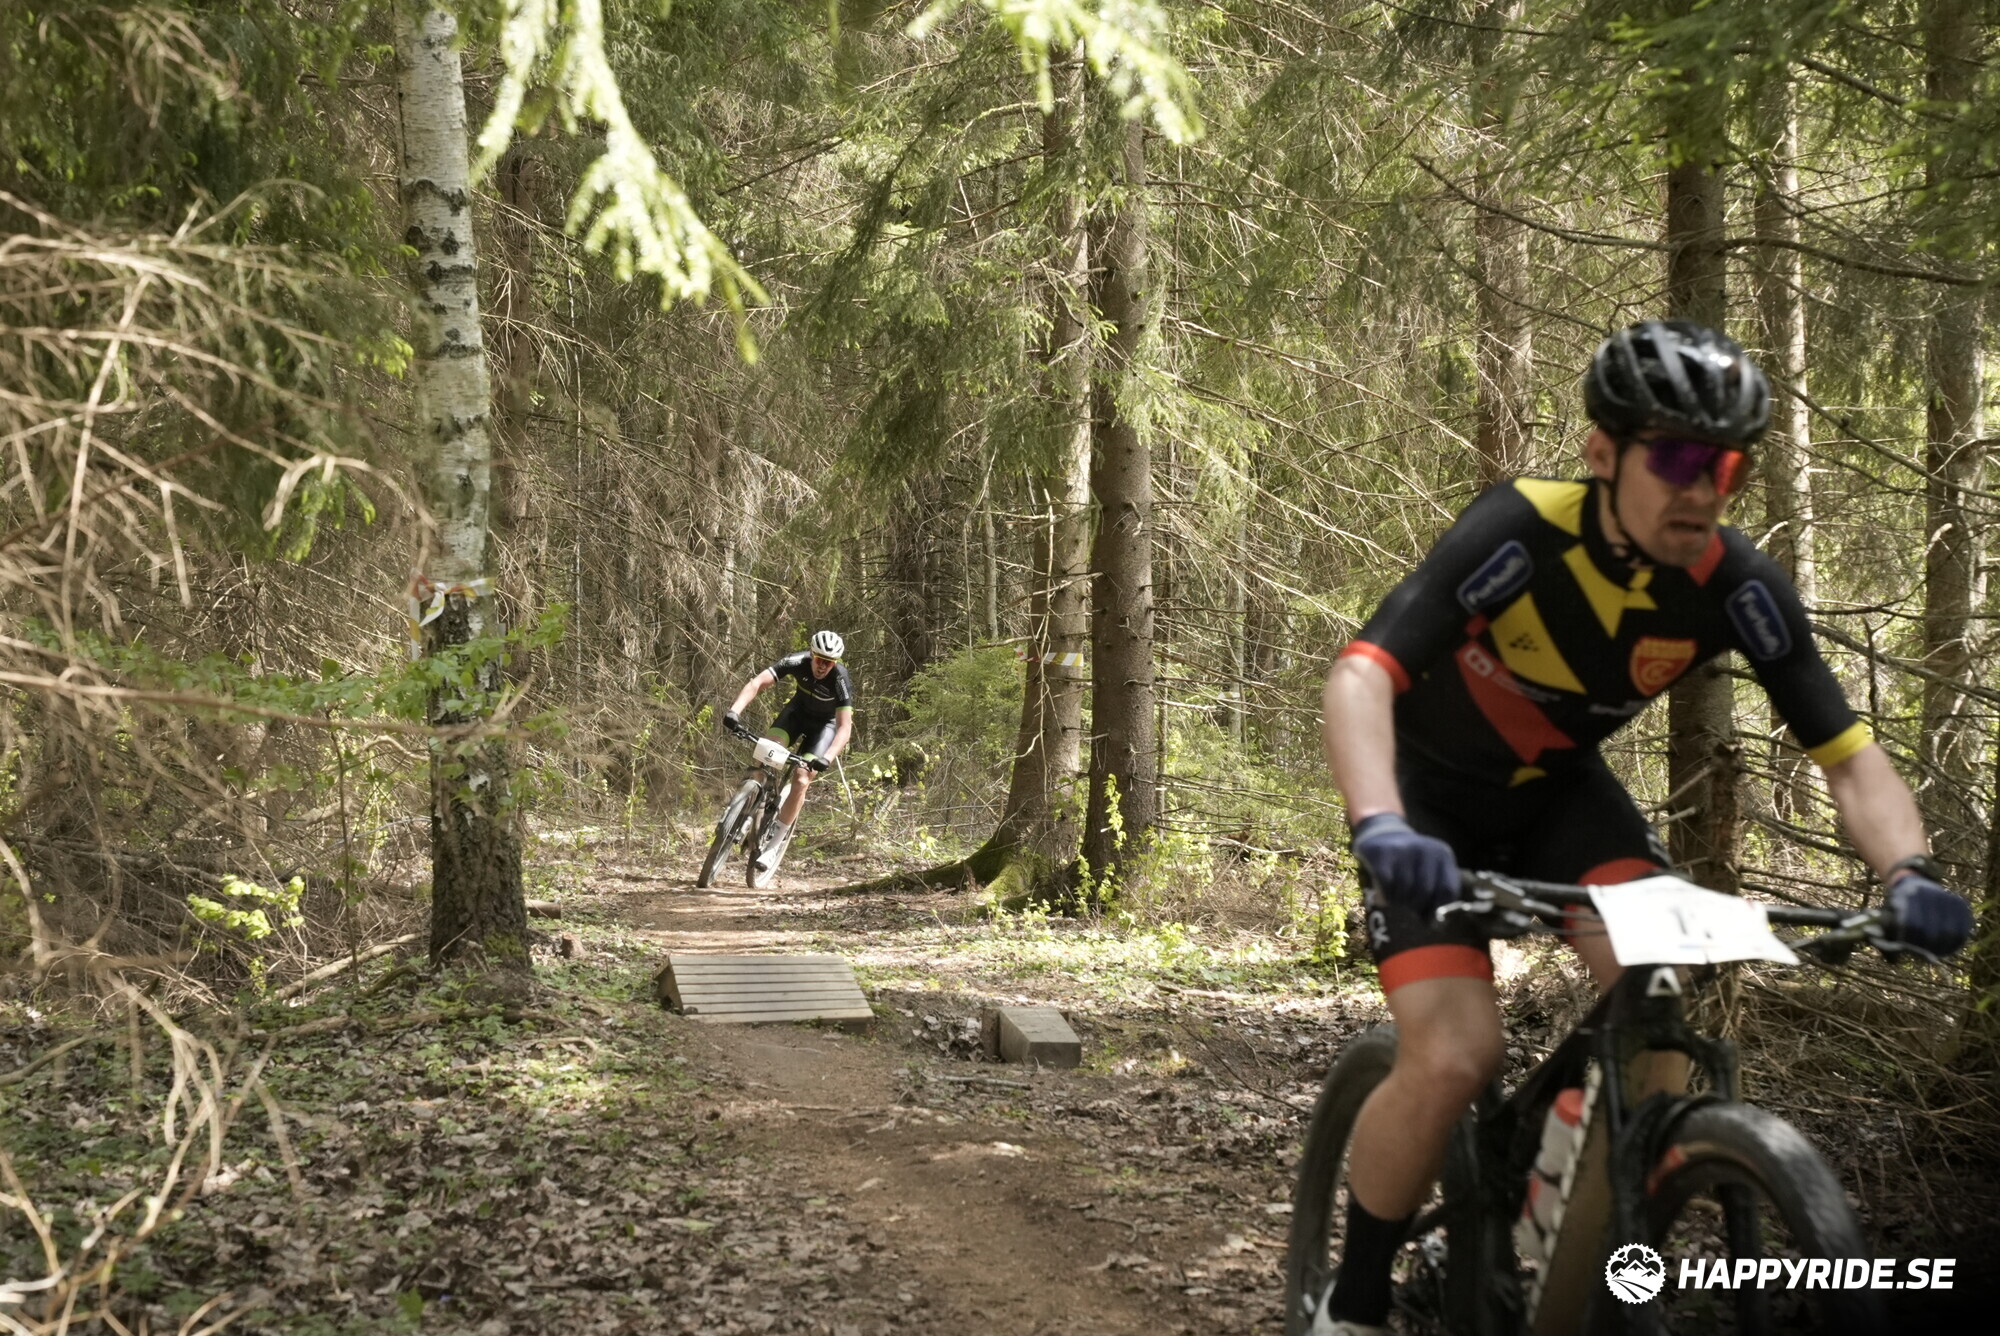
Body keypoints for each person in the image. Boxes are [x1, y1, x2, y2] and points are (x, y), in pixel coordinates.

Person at [1311, 320, 1974, 1336]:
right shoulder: (1520, 530)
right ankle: (1352, 1301)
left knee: (1657, 1001)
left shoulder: (1734, 584)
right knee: (1453, 1054)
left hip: (1558, 800)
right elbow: (1362, 674)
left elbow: (1846, 756)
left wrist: (1909, 873)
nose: (1700, 488)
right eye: (1673, 459)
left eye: (1724, 466)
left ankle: (1553, 1219)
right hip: (1423, 802)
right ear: (1601, 453)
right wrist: (1380, 825)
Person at [722, 630, 855, 875]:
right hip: (796, 715)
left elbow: (845, 727)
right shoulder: (796, 661)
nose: (823, 666)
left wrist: (827, 757)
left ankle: (775, 843)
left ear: (835, 663)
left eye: (829, 662)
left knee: (802, 778)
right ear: (812, 654)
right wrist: (734, 711)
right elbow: (757, 683)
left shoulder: (840, 679)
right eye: (819, 659)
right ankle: (745, 805)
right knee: (765, 751)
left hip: (824, 729)